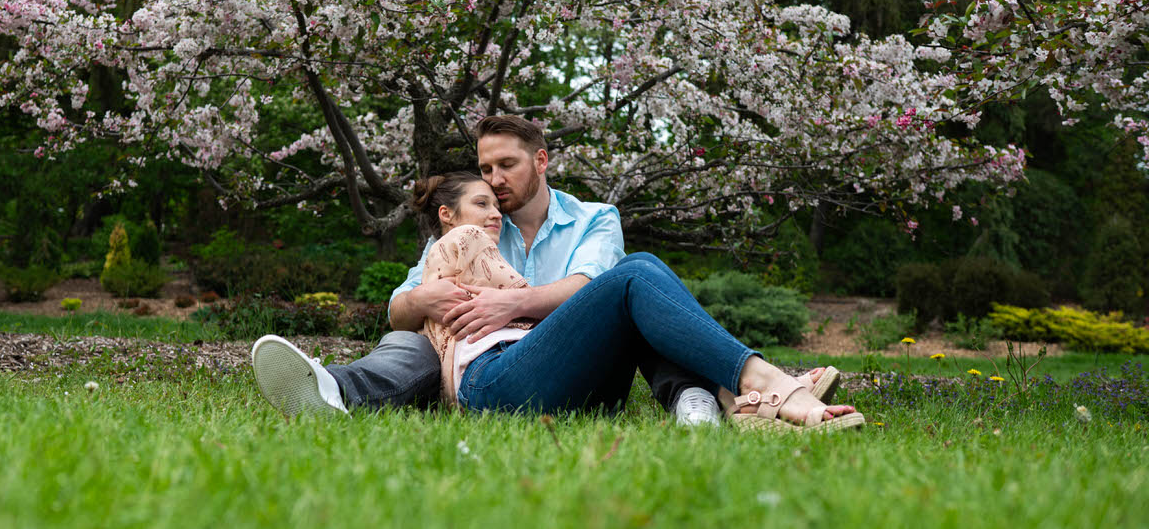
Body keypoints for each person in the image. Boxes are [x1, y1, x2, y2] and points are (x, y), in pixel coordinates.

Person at [251, 116, 844, 425]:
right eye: (485, 170)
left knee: (638, 283)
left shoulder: (594, 219)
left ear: (540, 161)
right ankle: (335, 389)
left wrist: (511, 303)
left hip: (582, 372)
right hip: (492, 368)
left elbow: (589, 288)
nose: (494, 181)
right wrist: (425, 301)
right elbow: (401, 305)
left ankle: (704, 394)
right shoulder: (476, 228)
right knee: (410, 341)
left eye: (506, 166)